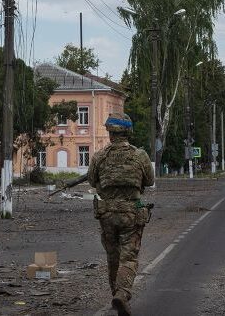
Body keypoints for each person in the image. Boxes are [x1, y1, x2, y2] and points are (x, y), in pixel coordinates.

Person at [86, 112, 154, 316]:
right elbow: (149, 181)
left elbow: (91, 181)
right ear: (128, 132)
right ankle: (122, 294)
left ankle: (116, 293)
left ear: (109, 132)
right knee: (129, 257)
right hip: (131, 214)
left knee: (113, 257)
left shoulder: (99, 156)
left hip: (107, 214)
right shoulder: (139, 155)